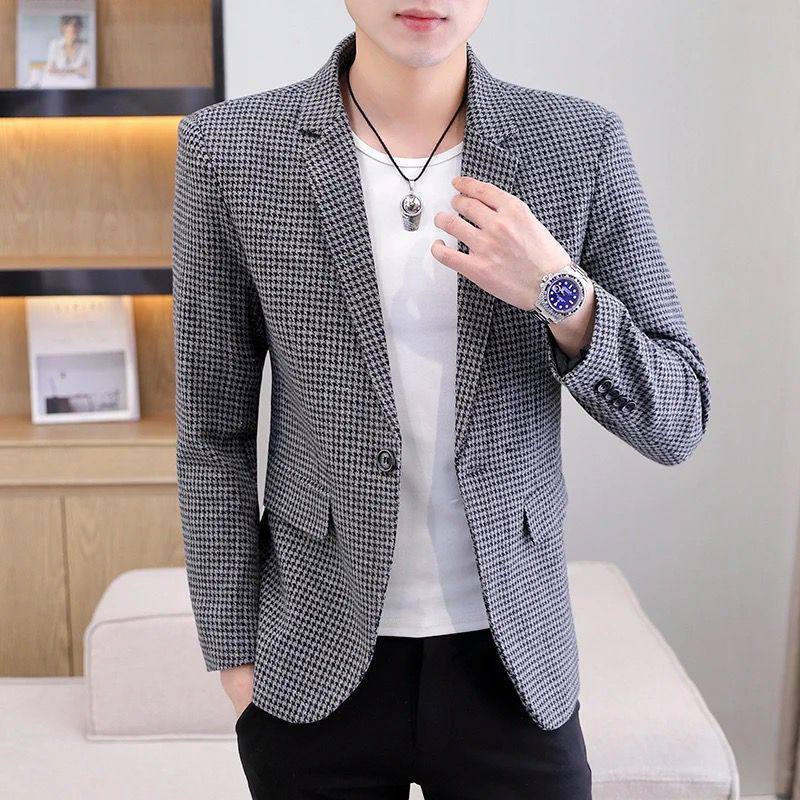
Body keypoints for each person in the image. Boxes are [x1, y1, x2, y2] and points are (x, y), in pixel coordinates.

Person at [171, 2, 711, 798]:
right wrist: (234, 656)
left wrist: (559, 291)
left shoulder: (578, 143)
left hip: (513, 662)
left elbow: (679, 418)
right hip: (313, 663)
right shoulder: (229, 148)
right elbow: (211, 429)